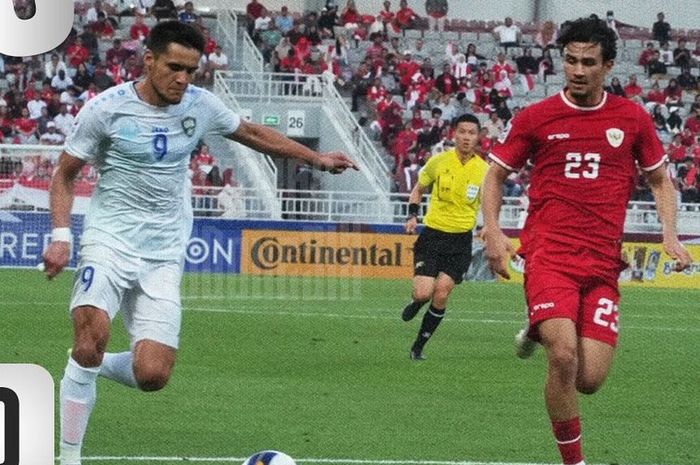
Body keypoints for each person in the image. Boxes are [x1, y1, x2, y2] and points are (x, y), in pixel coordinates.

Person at [42, 21, 358, 465]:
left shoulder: (201, 105)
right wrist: (60, 236)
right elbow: (65, 173)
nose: (183, 79)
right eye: (174, 67)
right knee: (91, 333)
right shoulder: (105, 109)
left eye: (192, 70)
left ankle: (85, 364)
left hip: (164, 252)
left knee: (152, 375)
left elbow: (252, 133)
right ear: (148, 60)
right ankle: (68, 455)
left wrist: (316, 158)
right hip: (108, 240)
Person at [480, 17, 692, 465]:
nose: (577, 70)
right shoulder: (536, 117)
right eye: (570, 60)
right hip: (549, 255)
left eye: (588, 62)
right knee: (563, 355)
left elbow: (660, 180)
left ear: (608, 66)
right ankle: (574, 462)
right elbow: (496, 174)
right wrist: (494, 230)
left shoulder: (632, 117)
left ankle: (538, 325)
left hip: (600, 264)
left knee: (589, 379)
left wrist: (669, 234)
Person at [400, 114, 489, 361]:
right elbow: (419, 188)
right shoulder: (438, 162)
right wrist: (412, 215)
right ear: (454, 134)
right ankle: (417, 302)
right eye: (462, 132)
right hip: (433, 235)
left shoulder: (484, 170)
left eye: (472, 133)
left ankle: (418, 347)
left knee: (441, 293)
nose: (467, 137)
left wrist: (488, 225)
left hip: (460, 240)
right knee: (423, 293)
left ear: (478, 137)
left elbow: (490, 201)